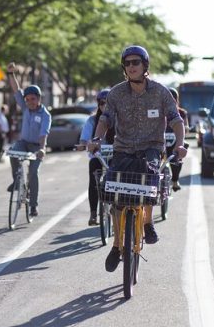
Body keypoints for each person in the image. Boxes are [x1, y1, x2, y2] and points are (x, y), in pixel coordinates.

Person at [88, 45, 187, 272]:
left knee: (149, 182)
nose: (131, 66)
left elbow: (175, 120)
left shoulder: (161, 92)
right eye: (128, 63)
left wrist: (180, 144)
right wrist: (96, 138)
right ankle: (116, 245)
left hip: (151, 149)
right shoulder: (116, 93)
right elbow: (106, 119)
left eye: (136, 62)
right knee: (115, 194)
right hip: (123, 149)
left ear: (145, 65)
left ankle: (148, 222)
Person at [6, 62, 52, 217]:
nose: (30, 102)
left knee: (33, 173)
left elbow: (43, 133)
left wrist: (42, 148)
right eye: (27, 99)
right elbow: (16, 90)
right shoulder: (25, 108)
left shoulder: (45, 114)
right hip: (24, 143)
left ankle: (33, 205)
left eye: (33, 99)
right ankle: (16, 181)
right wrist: (11, 73)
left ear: (38, 99)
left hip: (37, 146)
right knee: (12, 153)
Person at [76, 88, 115, 226]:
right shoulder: (92, 121)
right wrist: (84, 145)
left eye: (108, 103)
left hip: (116, 156)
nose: (104, 106)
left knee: (118, 175)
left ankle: (116, 206)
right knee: (94, 178)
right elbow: (85, 138)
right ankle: (93, 214)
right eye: (102, 103)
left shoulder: (120, 119)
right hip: (98, 156)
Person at [167, 87, 189, 191]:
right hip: (160, 141)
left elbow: (185, 128)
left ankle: (175, 180)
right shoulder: (159, 111)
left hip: (175, 140)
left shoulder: (182, 113)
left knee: (178, 156)